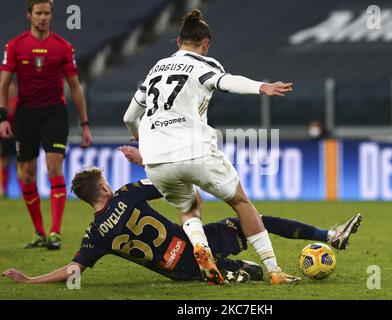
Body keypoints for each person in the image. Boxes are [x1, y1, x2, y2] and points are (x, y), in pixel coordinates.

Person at [123, 9, 300, 285]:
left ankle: (201, 248)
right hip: (194, 150)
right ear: (205, 44)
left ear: (177, 42)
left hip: (156, 160)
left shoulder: (156, 68)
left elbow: (129, 117)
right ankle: (275, 270)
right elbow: (225, 82)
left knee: (190, 207)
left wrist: (138, 138)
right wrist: (262, 87)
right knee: (241, 202)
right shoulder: (203, 64)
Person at [2, 163, 362, 285]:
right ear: (106, 187)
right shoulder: (127, 194)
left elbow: (73, 270)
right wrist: (145, 156)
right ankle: (330, 236)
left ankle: (227, 270)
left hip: (178, 269)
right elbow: (169, 181)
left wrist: (30, 279)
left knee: (246, 257)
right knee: (256, 221)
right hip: (194, 241)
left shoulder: (95, 234)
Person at [0, 0, 92, 249]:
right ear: (29, 15)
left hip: (54, 114)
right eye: (38, 13)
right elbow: (4, 83)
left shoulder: (62, 47)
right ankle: (39, 232)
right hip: (25, 116)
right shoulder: (15, 46)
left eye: (47, 13)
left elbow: (75, 87)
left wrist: (84, 124)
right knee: (27, 175)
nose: (42, 17)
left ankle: (55, 232)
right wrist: (2, 118)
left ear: (51, 15)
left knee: (54, 168)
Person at [0, 81, 19, 198]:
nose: (11, 90)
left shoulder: (17, 102)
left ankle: (24, 189)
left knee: (20, 163)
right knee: (4, 163)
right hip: (4, 136)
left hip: (16, 136)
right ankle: (3, 190)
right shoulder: (3, 103)